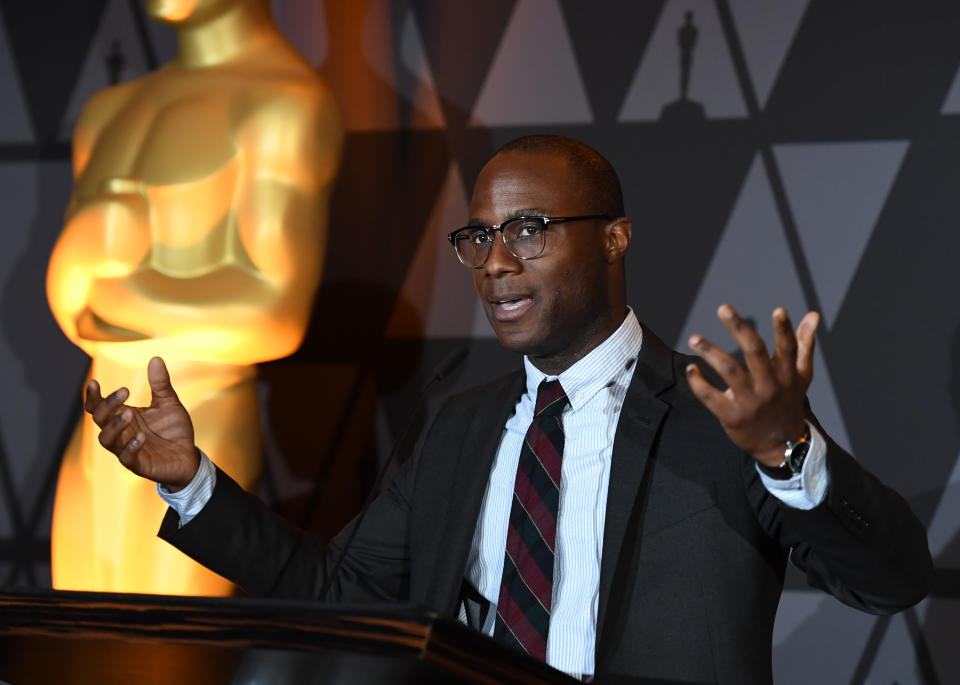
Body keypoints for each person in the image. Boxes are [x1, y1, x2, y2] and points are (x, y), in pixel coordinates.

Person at [85, 135, 931, 683]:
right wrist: (192, 484)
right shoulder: (459, 424)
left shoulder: (718, 415)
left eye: (528, 229)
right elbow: (340, 592)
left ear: (613, 237)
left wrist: (789, 451)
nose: (494, 262)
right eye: (478, 237)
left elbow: (892, 582)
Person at [45, 0, 341, 594]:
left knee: (171, 657)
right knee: (75, 647)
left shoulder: (283, 101)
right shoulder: (109, 110)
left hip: (201, 420)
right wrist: (100, 288)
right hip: (98, 428)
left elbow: (274, 313)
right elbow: (67, 292)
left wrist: (110, 289)